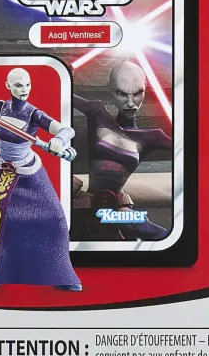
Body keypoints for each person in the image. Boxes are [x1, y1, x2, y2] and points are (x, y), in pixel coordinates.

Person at [0, 68, 81, 292]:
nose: (24, 90)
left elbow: (66, 130)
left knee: (55, 219)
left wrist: (59, 141)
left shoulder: (34, 114)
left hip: (28, 171)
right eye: (18, 85)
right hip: (2, 170)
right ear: (8, 86)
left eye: (27, 85)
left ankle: (62, 274)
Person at [70, 61, 173, 241]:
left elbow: (196, 149)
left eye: (138, 93)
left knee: (149, 230)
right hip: (88, 206)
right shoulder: (97, 113)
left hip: (119, 211)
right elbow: (60, 93)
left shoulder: (153, 137)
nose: (131, 103)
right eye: (122, 94)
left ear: (145, 89)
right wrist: (65, 77)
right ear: (111, 90)